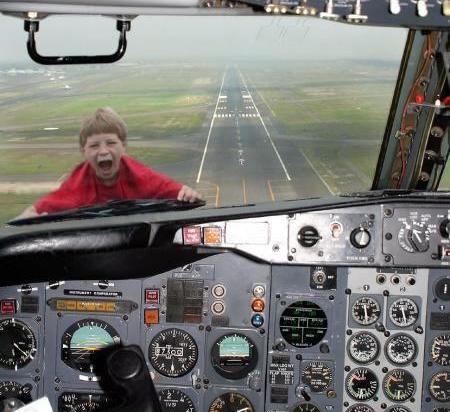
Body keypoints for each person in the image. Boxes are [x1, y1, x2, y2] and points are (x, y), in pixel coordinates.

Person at [18, 107, 202, 218]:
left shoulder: (140, 176)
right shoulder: (77, 184)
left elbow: (177, 192)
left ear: (124, 146)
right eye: (94, 145)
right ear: (84, 151)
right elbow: (44, 206)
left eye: (111, 143)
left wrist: (187, 193)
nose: (104, 151)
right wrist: (29, 214)